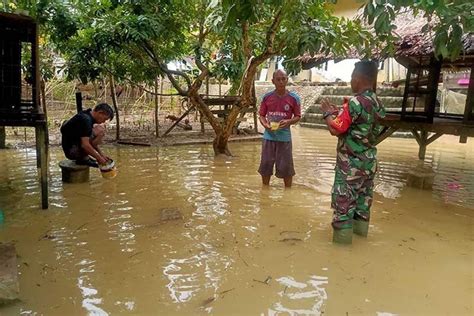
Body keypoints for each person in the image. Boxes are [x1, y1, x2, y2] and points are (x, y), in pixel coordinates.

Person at [320, 60, 386, 244]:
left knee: (343, 208)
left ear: (358, 78)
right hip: (369, 164)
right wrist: (340, 112)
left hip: (350, 166)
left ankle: (341, 254)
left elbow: (336, 129)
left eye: (351, 77)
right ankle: (361, 242)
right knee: (362, 206)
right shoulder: (377, 102)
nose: (350, 81)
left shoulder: (355, 103)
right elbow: (360, 122)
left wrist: (327, 114)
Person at [258, 69, 301, 187]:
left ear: (287, 80)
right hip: (268, 136)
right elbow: (261, 115)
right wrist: (265, 124)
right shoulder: (267, 97)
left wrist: (288, 121)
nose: (281, 82)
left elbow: (298, 116)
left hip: (284, 138)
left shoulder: (294, 98)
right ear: (273, 81)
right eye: (278, 79)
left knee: (286, 168)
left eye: (284, 79)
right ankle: (265, 190)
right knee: (265, 165)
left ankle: (288, 193)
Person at [61, 103, 114, 168]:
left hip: (72, 146)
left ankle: (84, 157)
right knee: (100, 130)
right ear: (100, 113)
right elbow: (85, 145)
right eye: (105, 119)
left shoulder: (87, 114)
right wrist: (99, 159)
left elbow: (89, 141)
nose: (103, 122)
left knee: (99, 130)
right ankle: (83, 158)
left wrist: (101, 155)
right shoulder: (86, 120)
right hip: (72, 152)